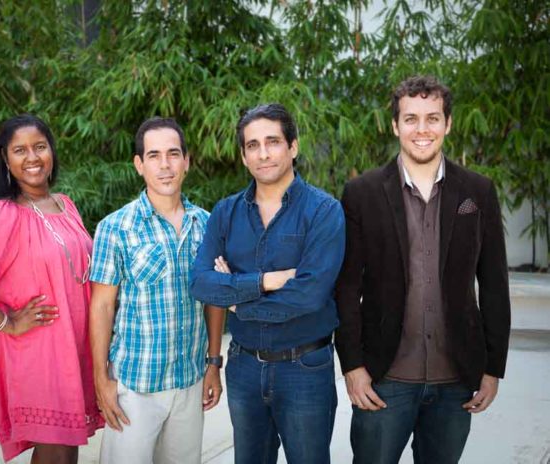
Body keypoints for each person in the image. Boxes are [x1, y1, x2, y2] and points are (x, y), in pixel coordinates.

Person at [335, 75, 511, 463]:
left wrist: (493, 366)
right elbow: (346, 288)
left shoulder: (478, 192)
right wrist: (352, 366)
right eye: (411, 119)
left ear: (448, 124)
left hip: (456, 380)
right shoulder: (362, 193)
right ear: (396, 126)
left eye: (433, 118)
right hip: (384, 378)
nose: (422, 129)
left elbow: (494, 283)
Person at [0, 114, 102, 463]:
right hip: (36, 353)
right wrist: (6, 322)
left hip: (73, 349)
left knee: (63, 452)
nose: (32, 157)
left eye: (40, 147)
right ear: (5, 159)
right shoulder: (0, 214)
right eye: (20, 150)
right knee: (56, 453)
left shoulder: (65, 205)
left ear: (51, 152)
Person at [190, 103, 346, 464]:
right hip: (244, 368)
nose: (263, 153)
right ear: (244, 156)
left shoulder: (323, 211)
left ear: (293, 147)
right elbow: (200, 283)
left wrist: (235, 298)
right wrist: (269, 281)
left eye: (273, 142)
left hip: (305, 368)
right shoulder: (225, 213)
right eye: (252, 145)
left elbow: (309, 295)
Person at [89, 117, 225, 464]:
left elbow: (214, 300)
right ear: (139, 164)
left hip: (190, 379)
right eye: (153, 155)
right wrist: (101, 378)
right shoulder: (115, 228)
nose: (165, 165)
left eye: (173, 154)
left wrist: (213, 363)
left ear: (187, 161)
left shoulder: (207, 225)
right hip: (135, 384)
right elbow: (102, 306)